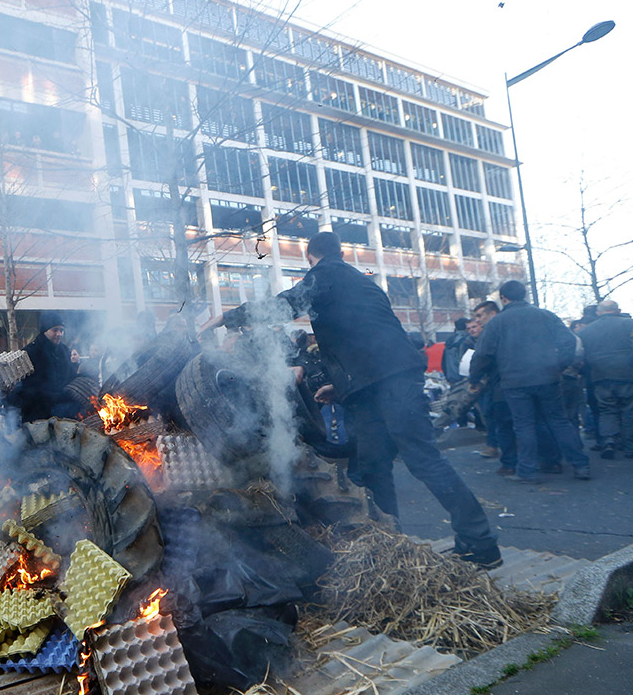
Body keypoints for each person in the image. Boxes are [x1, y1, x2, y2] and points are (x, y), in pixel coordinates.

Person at [202, 232, 500, 568]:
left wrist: (228, 317)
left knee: (423, 459)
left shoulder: (326, 276)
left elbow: (283, 306)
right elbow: (362, 337)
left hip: (390, 381)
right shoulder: (360, 282)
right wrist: (340, 386)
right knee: (373, 466)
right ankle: (390, 546)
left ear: (309, 256)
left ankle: (480, 542)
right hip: (377, 384)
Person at [468, 280, 590, 483]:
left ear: (504, 298)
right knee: (559, 421)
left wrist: (474, 378)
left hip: (514, 382)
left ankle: (526, 471)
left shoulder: (498, 322)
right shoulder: (545, 315)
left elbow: (482, 354)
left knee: (524, 425)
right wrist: (560, 365)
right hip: (547, 377)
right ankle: (580, 465)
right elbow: (568, 341)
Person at [578, 300, 633, 459]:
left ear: (598, 312)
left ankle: (608, 441)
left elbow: (580, 355)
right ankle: (630, 446)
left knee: (606, 409)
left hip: (599, 375)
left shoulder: (585, 332)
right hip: (627, 374)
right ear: (618, 310)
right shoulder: (629, 324)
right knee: (629, 410)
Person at [19, 312, 80, 422]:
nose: (59, 334)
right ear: (45, 330)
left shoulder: (64, 350)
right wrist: (51, 396)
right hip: (38, 415)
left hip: (63, 412)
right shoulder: (30, 352)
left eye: (61, 330)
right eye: (55, 330)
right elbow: (26, 387)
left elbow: (70, 376)